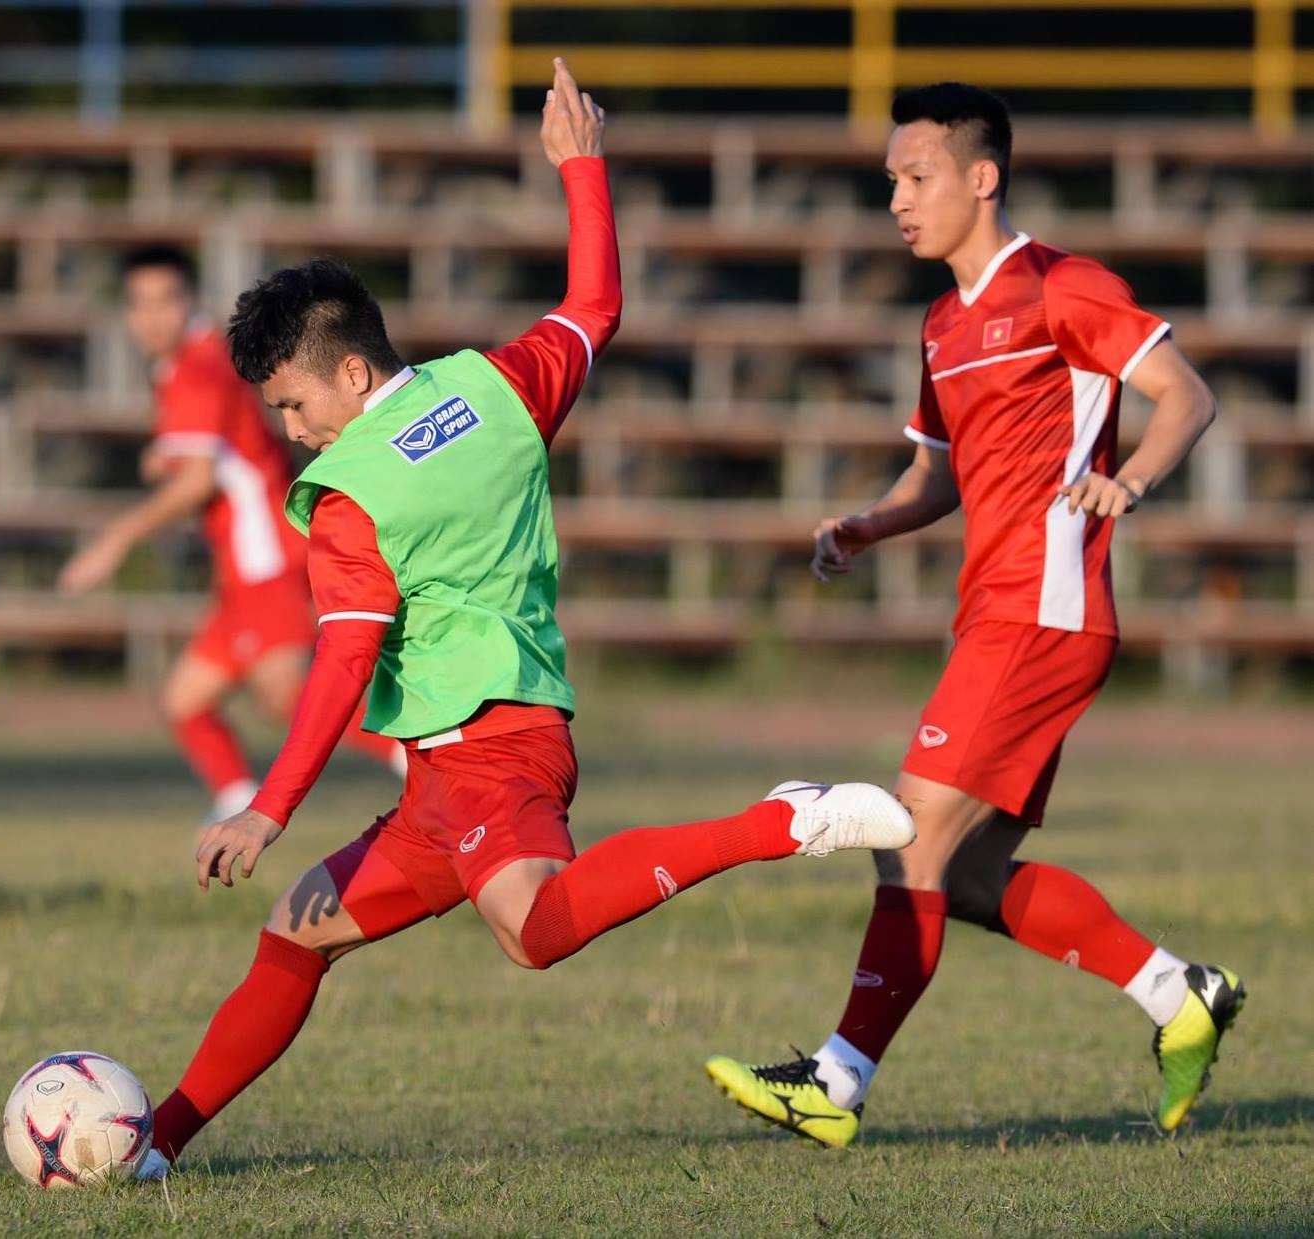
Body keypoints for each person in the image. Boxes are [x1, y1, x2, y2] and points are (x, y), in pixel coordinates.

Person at [124, 59, 914, 1182]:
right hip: (458, 769)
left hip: (490, 751)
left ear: (350, 374)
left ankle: (777, 823)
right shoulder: (495, 388)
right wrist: (581, 167)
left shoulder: (347, 492)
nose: (293, 432)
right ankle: (159, 1141)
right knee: (297, 933)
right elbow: (595, 305)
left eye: (295, 405)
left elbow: (345, 653)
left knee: (533, 931)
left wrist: (268, 808)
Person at [705, 83, 1238, 1147]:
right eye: (890, 183)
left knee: (907, 835)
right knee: (970, 876)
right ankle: (1177, 991)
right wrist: (865, 524)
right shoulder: (943, 322)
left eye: (917, 178)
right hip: (997, 615)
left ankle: (836, 1082)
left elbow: (1186, 394)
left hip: (1043, 611)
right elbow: (938, 475)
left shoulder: (1061, 287)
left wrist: (1125, 483)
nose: (898, 200)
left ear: (980, 177)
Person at [58, 245, 404, 823]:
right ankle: (234, 799)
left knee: (289, 696)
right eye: (139, 304)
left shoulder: (195, 371)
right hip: (244, 564)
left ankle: (413, 755)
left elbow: (197, 480)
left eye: (166, 300)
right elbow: (215, 454)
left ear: (190, 299)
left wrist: (115, 538)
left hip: (266, 556)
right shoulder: (188, 365)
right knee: (184, 700)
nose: (152, 317)